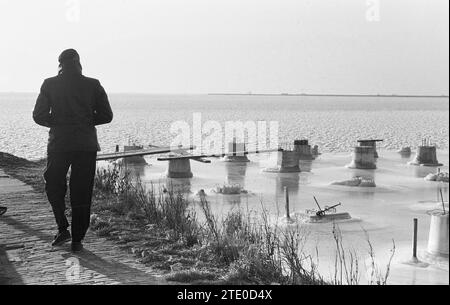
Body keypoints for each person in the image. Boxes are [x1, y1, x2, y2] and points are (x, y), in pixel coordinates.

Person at [33, 49, 113, 252]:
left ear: (60, 64)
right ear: (79, 63)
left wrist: (58, 122)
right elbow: (106, 115)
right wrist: (85, 120)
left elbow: (38, 115)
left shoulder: (50, 84)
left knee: (53, 185)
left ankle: (62, 227)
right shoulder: (93, 84)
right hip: (86, 145)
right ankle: (77, 239)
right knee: (82, 191)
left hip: (59, 144)